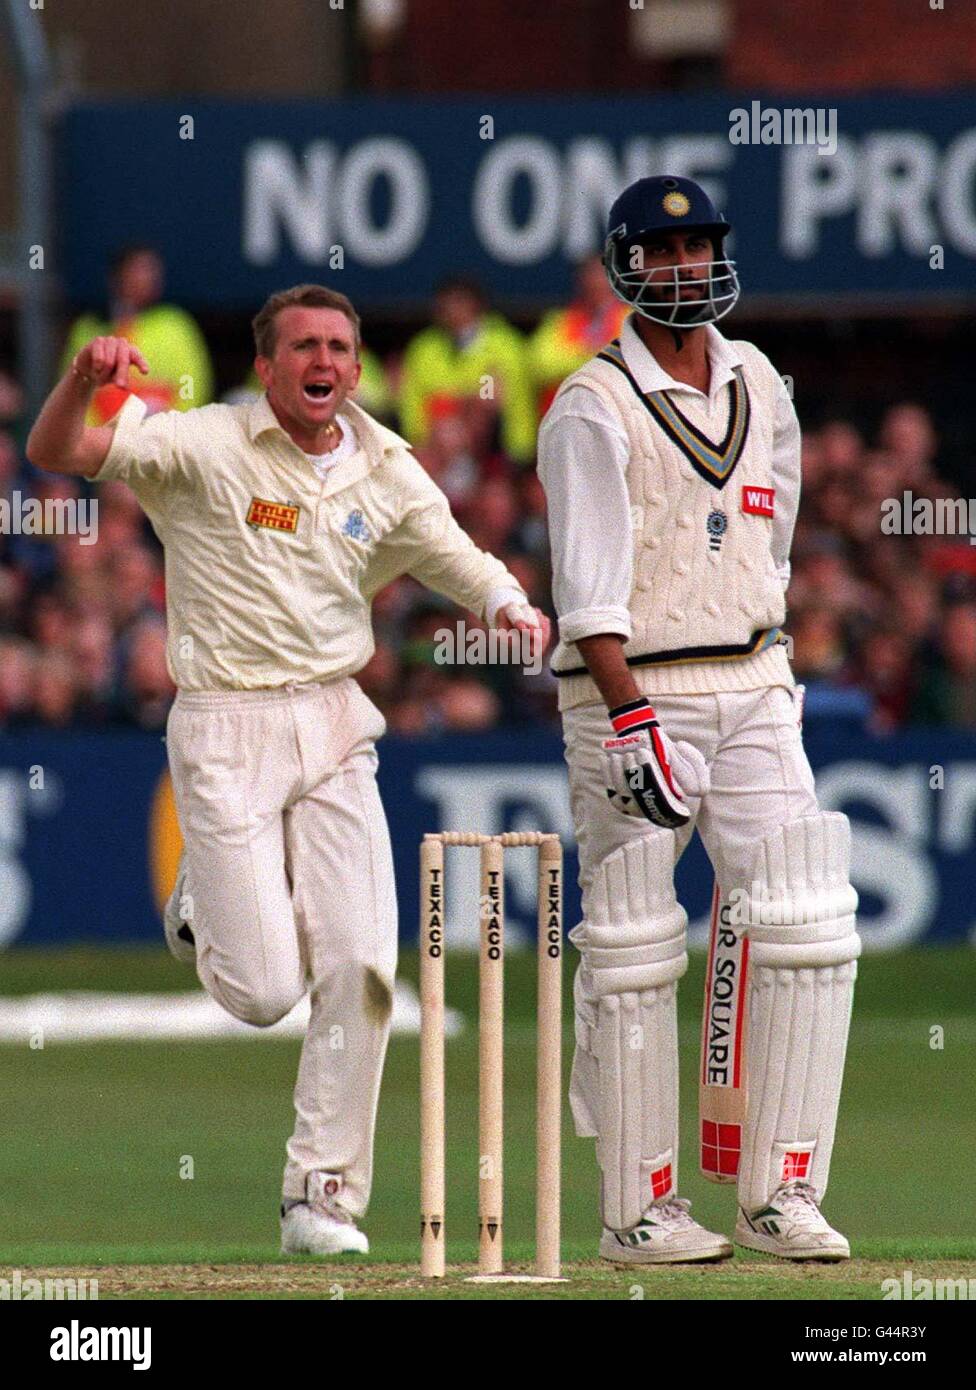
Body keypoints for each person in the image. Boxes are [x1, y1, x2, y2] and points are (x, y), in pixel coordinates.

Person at [27, 282, 548, 1257]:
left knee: (359, 965)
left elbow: (451, 552)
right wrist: (80, 381)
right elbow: (58, 453)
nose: (324, 362)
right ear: (266, 367)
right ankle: (203, 905)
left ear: (357, 366)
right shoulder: (205, 443)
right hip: (225, 724)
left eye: (340, 347)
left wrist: (511, 605)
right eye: (303, 346)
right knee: (265, 990)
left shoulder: (385, 464)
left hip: (336, 721)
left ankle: (321, 1199)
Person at [537, 176, 860, 1264]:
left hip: (754, 680)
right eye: (662, 250)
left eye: (698, 246)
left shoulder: (760, 378)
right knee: (632, 941)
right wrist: (630, 718)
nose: (683, 266)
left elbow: (770, 539)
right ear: (626, 267)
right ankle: (639, 1207)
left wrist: (760, 650)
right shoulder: (591, 402)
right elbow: (587, 586)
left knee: (810, 921)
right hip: (633, 693)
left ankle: (780, 1191)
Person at [60, 244, 214, 425]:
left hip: (161, 436)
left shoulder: (175, 323)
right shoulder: (88, 328)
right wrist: (95, 435)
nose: (148, 278)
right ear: (116, 277)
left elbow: (192, 382)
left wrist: (173, 427)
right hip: (103, 440)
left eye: (152, 270)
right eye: (139, 269)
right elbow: (74, 388)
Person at [398, 276, 536, 464]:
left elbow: (489, 397)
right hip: (437, 447)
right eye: (445, 305)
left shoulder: (503, 345)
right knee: (446, 427)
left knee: (476, 407)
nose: (452, 311)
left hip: (502, 448)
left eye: (459, 302)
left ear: (476, 305)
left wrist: (460, 401)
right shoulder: (424, 348)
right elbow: (412, 401)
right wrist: (420, 443)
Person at [528, 254, 629, 416]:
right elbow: (541, 365)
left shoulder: (630, 319)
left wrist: (574, 358)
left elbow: (631, 364)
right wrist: (595, 355)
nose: (595, 281)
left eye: (601, 275)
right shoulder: (560, 321)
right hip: (563, 418)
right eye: (589, 275)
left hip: (617, 417)